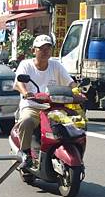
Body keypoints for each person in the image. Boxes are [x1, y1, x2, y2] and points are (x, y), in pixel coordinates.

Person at [14, 34, 75, 169]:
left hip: (53, 107)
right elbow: (19, 83)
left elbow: (70, 82)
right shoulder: (26, 65)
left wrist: (78, 92)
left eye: (48, 48)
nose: (45, 51)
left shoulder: (56, 65)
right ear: (34, 50)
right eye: (41, 48)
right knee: (27, 121)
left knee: (74, 123)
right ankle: (25, 153)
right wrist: (25, 93)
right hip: (32, 106)